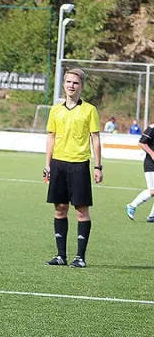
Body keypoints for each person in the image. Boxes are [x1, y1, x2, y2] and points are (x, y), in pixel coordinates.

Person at [44, 68, 103, 268]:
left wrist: (98, 166)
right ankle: (61, 256)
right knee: (60, 209)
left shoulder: (89, 110)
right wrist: (47, 164)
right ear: (63, 84)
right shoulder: (55, 110)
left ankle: (80, 257)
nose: (71, 85)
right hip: (58, 164)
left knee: (81, 210)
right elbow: (51, 137)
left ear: (81, 86)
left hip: (79, 165)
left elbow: (95, 138)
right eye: (68, 82)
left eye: (76, 83)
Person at [125, 123, 154, 223]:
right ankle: (132, 205)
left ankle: (152, 216)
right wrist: (152, 154)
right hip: (151, 164)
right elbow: (142, 143)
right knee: (153, 190)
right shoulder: (152, 128)